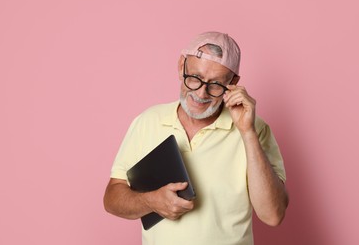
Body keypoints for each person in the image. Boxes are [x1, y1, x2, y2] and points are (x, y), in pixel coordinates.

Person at [103, 31, 288, 244]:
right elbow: (112, 199)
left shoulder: (255, 129)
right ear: (181, 65)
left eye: (216, 84)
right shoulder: (148, 121)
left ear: (233, 82)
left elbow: (273, 215)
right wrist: (151, 201)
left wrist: (247, 132)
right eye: (195, 78)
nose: (201, 94)